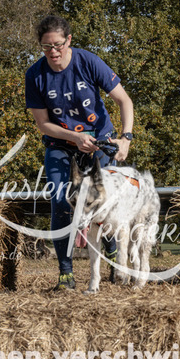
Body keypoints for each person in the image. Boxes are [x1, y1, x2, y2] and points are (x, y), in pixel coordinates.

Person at [25, 15, 135, 290]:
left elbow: (124, 100)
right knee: (61, 200)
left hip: (99, 139)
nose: (53, 51)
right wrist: (74, 137)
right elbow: (43, 124)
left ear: (69, 40)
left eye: (58, 45)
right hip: (61, 144)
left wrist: (125, 138)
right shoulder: (35, 75)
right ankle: (65, 273)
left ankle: (111, 253)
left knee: (104, 201)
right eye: (46, 46)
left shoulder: (89, 62)